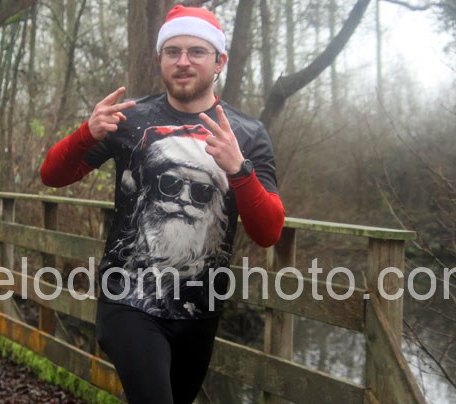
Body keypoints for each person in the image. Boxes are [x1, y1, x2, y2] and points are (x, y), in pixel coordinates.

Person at [40, 5, 285, 404]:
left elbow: (268, 232)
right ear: (160, 59)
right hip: (128, 300)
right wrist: (86, 133)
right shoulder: (129, 119)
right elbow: (52, 175)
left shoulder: (247, 135)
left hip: (200, 309)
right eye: (173, 51)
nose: (182, 61)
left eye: (196, 51)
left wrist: (239, 170)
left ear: (220, 61)